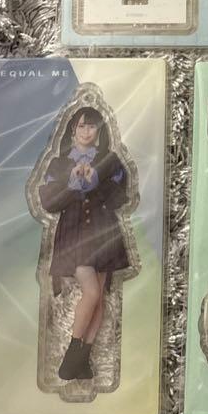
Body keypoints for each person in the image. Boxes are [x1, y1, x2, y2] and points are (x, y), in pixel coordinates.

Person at [37, 107, 131, 381]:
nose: (86, 131)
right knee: (91, 291)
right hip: (74, 234)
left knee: (98, 297)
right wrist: (72, 183)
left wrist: (96, 180)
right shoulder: (59, 164)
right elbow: (49, 203)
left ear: (99, 131)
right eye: (81, 126)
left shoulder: (110, 161)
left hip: (104, 231)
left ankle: (83, 362)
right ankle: (71, 356)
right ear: (72, 130)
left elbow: (119, 198)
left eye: (92, 126)